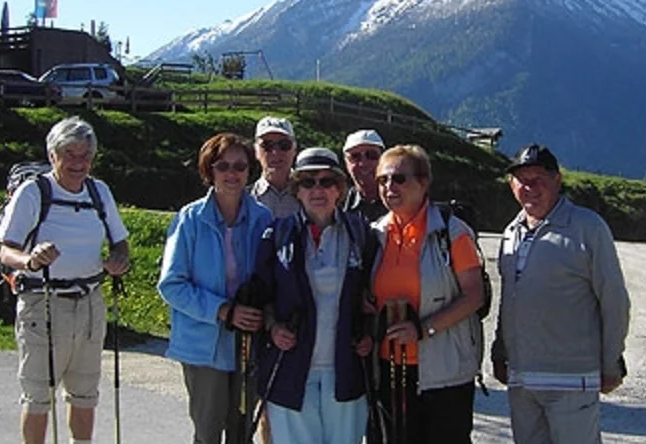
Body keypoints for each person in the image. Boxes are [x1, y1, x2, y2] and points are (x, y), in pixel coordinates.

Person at [0, 116, 131, 444]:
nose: (78, 162)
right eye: (69, 154)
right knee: (38, 396)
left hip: (89, 305)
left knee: (85, 393)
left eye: (85, 155)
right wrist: (29, 260)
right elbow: (6, 251)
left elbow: (120, 243)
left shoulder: (99, 192)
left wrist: (119, 261)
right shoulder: (34, 193)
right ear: (52, 155)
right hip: (42, 304)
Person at [491, 144, 631, 444]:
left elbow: (614, 299)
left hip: (572, 381)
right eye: (521, 180)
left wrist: (611, 361)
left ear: (557, 179)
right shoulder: (510, 232)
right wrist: (500, 350)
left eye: (538, 178)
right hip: (522, 380)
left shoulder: (587, 228)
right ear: (510, 184)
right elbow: (509, 298)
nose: (530, 187)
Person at [159, 132, 274, 444]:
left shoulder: (263, 219)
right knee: (208, 433)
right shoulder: (190, 219)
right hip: (203, 346)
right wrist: (224, 310)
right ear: (209, 171)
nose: (232, 174)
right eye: (223, 166)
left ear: (250, 170)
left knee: (241, 433)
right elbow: (171, 285)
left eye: (240, 166)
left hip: (248, 344)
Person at [253, 147, 374, 444]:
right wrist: (273, 327)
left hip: (345, 370)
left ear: (340, 189)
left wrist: (369, 332)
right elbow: (261, 296)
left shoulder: (362, 235)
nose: (317, 189)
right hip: (292, 370)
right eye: (308, 182)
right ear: (297, 190)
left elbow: (375, 296)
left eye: (326, 181)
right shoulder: (278, 235)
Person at [369, 144, 484, 444]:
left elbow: (474, 296)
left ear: (423, 182)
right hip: (390, 368)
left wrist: (422, 329)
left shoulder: (452, 232)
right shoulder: (376, 235)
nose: (389, 187)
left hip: (443, 372)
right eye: (382, 180)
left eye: (399, 179)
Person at [252, 116, 301, 219]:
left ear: (294, 150)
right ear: (256, 152)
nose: (276, 152)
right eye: (267, 145)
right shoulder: (245, 199)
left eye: (284, 145)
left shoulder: (310, 195)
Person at [342, 129, 387, 222]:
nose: (363, 163)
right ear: (346, 163)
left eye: (371, 155)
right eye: (355, 156)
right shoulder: (337, 206)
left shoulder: (401, 200)